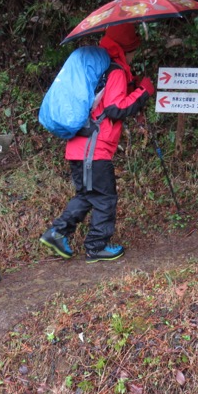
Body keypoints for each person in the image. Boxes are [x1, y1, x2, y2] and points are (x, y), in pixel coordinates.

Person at [40, 23, 155, 263]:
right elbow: (115, 108)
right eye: (133, 49)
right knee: (104, 198)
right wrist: (143, 90)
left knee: (87, 196)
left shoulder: (104, 69)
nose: (135, 55)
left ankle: (57, 233)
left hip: (80, 147)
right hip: (94, 150)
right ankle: (96, 246)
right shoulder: (115, 71)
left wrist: (133, 89)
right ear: (126, 49)